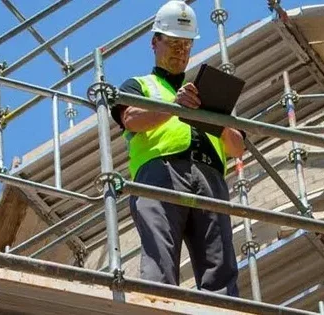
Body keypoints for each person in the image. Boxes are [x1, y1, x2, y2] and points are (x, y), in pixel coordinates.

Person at [111, 0, 245, 296]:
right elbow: (131, 118)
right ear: (154, 43)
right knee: (159, 262)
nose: (180, 52)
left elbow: (237, 149)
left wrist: (216, 119)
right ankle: (159, 306)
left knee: (219, 267)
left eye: (185, 45)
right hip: (161, 173)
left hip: (210, 178)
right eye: (172, 43)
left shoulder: (204, 93)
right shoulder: (140, 85)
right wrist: (174, 106)